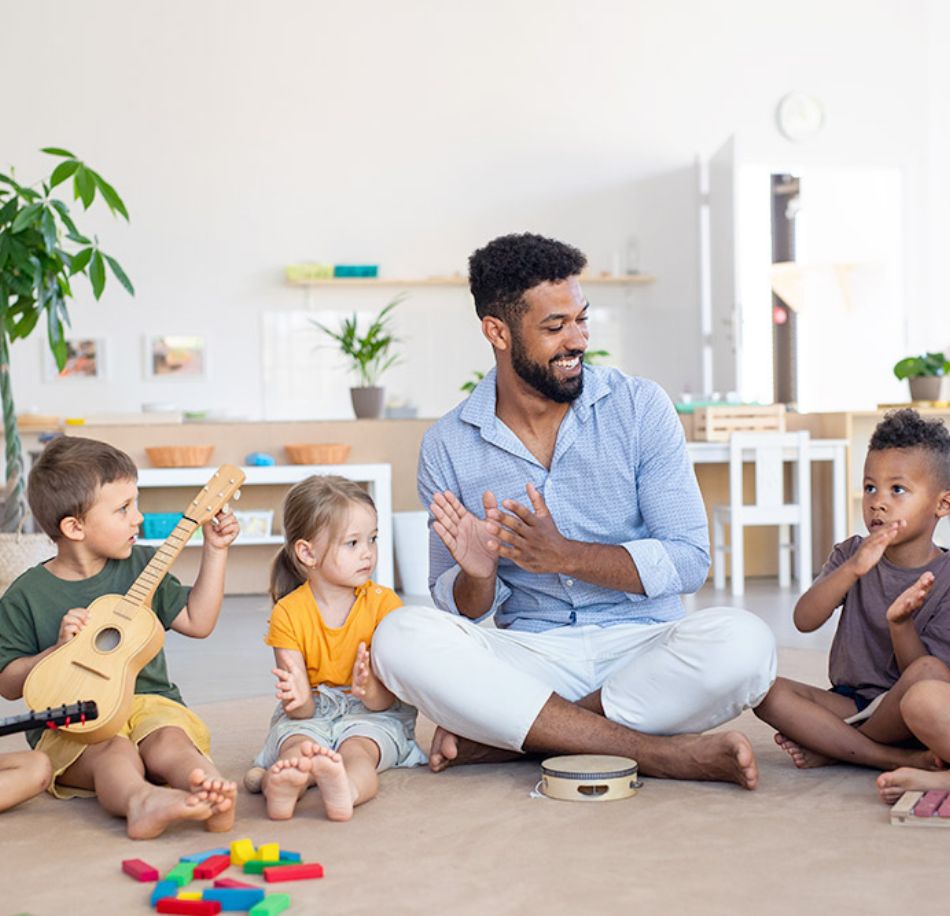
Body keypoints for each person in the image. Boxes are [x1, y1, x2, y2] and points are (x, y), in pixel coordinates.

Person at [371, 232, 777, 789]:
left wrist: (566, 556)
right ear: (497, 331)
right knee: (399, 636)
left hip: (641, 645)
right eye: (555, 327)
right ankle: (659, 754)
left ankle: (529, 734)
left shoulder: (639, 407)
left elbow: (688, 561)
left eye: (582, 320)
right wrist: (477, 577)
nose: (578, 340)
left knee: (746, 644)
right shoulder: (448, 444)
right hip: (531, 652)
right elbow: (459, 612)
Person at [0, 436, 239, 839]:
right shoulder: (26, 594)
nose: (138, 518)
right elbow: (7, 684)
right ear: (74, 527)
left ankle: (208, 787)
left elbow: (198, 622)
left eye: (136, 502)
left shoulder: (144, 564)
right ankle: (140, 801)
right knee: (115, 751)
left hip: (150, 703)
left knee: (169, 740)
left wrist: (214, 550)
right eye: (123, 508)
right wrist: (56, 651)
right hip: (72, 721)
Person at [754, 409, 950, 776]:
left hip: (911, 709)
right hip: (852, 703)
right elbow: (804, 620)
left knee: (927, 669)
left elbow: (926, 678)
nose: (878, 501)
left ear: (942, 504)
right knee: (764, 691)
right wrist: (853, 569)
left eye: (898, 489)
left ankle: (840, 746)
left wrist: (901, 623)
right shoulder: (851, 554)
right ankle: (887, 757)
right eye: (870, 487)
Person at [243, 475, 425, 821]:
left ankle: (347, 789)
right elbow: (302, 712)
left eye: (372, 539)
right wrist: (297, 701)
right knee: (296, 748)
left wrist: (370, 689)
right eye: (352, 543)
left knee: (358, 752)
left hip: (373, 713)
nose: (367, 553)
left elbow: (386, 701)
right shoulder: (288, 613)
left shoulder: (385, 605)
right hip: (314, 712)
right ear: (307, 552)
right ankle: (283, 786)